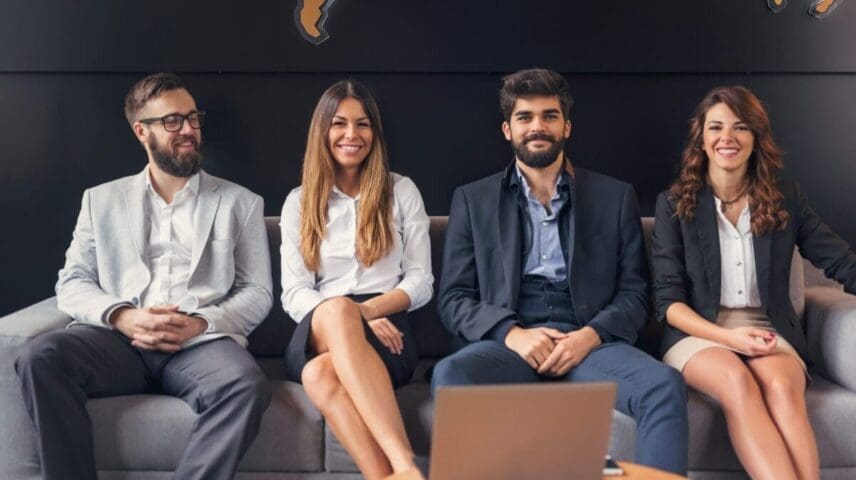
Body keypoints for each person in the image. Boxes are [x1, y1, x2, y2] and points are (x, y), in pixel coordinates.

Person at [14, 73, 273, 480]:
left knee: (246, 386)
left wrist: (197, 324)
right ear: (142, 131)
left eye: (192, 118)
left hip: (199, 344)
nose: (188, 130)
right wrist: (123, 316)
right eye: (172, 121)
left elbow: (257, 291)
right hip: (118, 341)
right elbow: (73, 280)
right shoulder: (101, 200)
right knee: (40, 357)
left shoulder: (241, 202)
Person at [431, 68, 688, 475]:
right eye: (525, 117)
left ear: (566, 126)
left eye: (549, 116)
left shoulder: (614, 197)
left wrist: (589, 336)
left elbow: (636, 295)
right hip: (509, 341)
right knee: (452, 373)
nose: (537, 127)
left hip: (589, 339)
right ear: (506, 129)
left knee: (664, 385)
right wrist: (511, 334)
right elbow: (453, 299)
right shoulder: (472, 199)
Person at [653, 85, 856, 480]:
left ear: (756, 137)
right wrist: (730, 339)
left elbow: (840, 261)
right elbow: (669, 303)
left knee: (782, 389)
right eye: (716, 128)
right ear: (701, 138)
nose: (727, 138)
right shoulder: (675, 204)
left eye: (740, 127)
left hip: (769, 330)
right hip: (699, 334)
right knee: (736, 381)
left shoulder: (786, 200)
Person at [280, 80, 433, 480]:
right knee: (336, 311)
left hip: (389, 330)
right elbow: (294, 292)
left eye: (363, 125)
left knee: (319, 375)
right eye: (340, 124)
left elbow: (420, 280)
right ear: (323, 132)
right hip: (316, 327)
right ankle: (406, 464)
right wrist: (345, 315)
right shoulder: (298, 201)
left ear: (374, 133)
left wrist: (364, 312)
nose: (352, 135)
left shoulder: (402, 191)